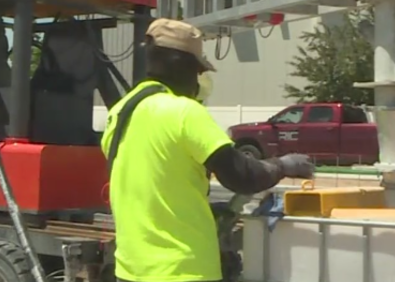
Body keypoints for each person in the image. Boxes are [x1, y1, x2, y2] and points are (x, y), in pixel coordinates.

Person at [102, 18, 315, 282]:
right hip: (182, 270)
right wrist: (283, 165)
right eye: (197, 72)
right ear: (182, 66)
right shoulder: (183, 112)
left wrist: (201, 207)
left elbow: (156, 185)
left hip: (130, 269)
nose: (198, 81)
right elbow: (243, 176)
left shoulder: (120, 113)